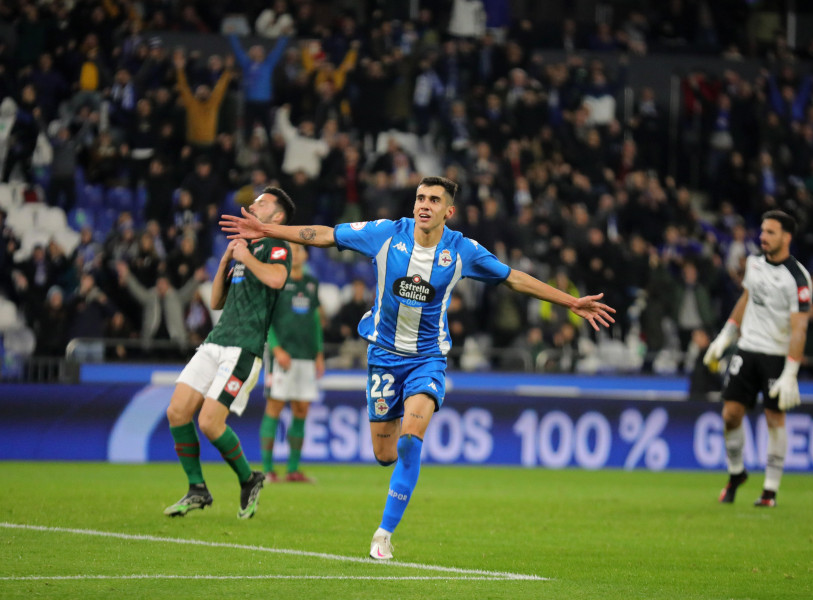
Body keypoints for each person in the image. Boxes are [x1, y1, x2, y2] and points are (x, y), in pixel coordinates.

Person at [221, 176, 616, 559]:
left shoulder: (462, 251)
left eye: (433, 200)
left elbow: (513, 278)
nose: (424, 205)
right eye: (420, 198)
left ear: (449, 211)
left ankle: (383, 534)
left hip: (427, 358)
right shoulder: (386, 233)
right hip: (383, 357)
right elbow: (324, 234)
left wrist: (571, 302)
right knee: (384, 452)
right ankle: (394, 473)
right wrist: (269, 230)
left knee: (411, 438)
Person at [163, 187, 294, 519]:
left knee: (209, 421)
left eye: (262, 203)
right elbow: (216, 302)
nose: (253, 204)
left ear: (277, 216)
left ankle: (249, 478)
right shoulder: (243, 248)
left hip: (243, 347)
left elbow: (277, 280)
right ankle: (197, 489)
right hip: (215, 341)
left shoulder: (277, 247)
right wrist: (226, 259)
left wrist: (245, 257)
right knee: (177, 411)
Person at [703, 210, 811, 508]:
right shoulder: (753, 263)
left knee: (774, 418)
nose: (763, 236)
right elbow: (746, 299)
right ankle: (737, 473)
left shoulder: (798, 279)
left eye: (770, 232)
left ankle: (770, 491)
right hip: (748, 349)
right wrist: (725, 336)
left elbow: (800, 328)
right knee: (730, 415)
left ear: (786, 237)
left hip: (777, 355)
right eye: (762, 231)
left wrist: (791, 372)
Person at [260, 242, 324, 483]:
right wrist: (276, 349)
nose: (297, 253)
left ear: (305, 255)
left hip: (306, 356)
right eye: (293, 250)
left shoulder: (312, 283)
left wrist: (319, 353)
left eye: (300, 250)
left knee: (301, 410)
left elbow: (316, 320)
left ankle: (293, 470)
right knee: (274, 408)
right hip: (282, 356)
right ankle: (267, 469)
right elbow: (266, 318)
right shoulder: (277, 281)